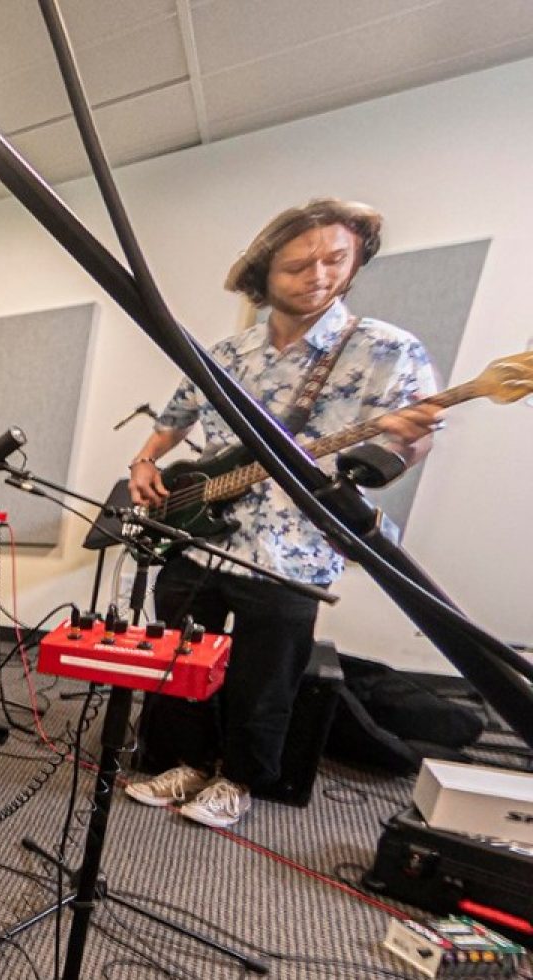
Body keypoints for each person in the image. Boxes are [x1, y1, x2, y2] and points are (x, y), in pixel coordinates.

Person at [124, 198, 440, 829]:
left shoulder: (386, 350)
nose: (317, 275)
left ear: (353, 266)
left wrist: (398, 447)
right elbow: (175, 417)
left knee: (263, 678)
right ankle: (186, 760)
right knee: (183, 658)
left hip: (293, 549)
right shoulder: (226, 352)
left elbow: (418, 434)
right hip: (200, 535)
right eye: (298, 264)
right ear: (265, 274)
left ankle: (238, 778)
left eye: (334, 261)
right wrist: (144, 462)